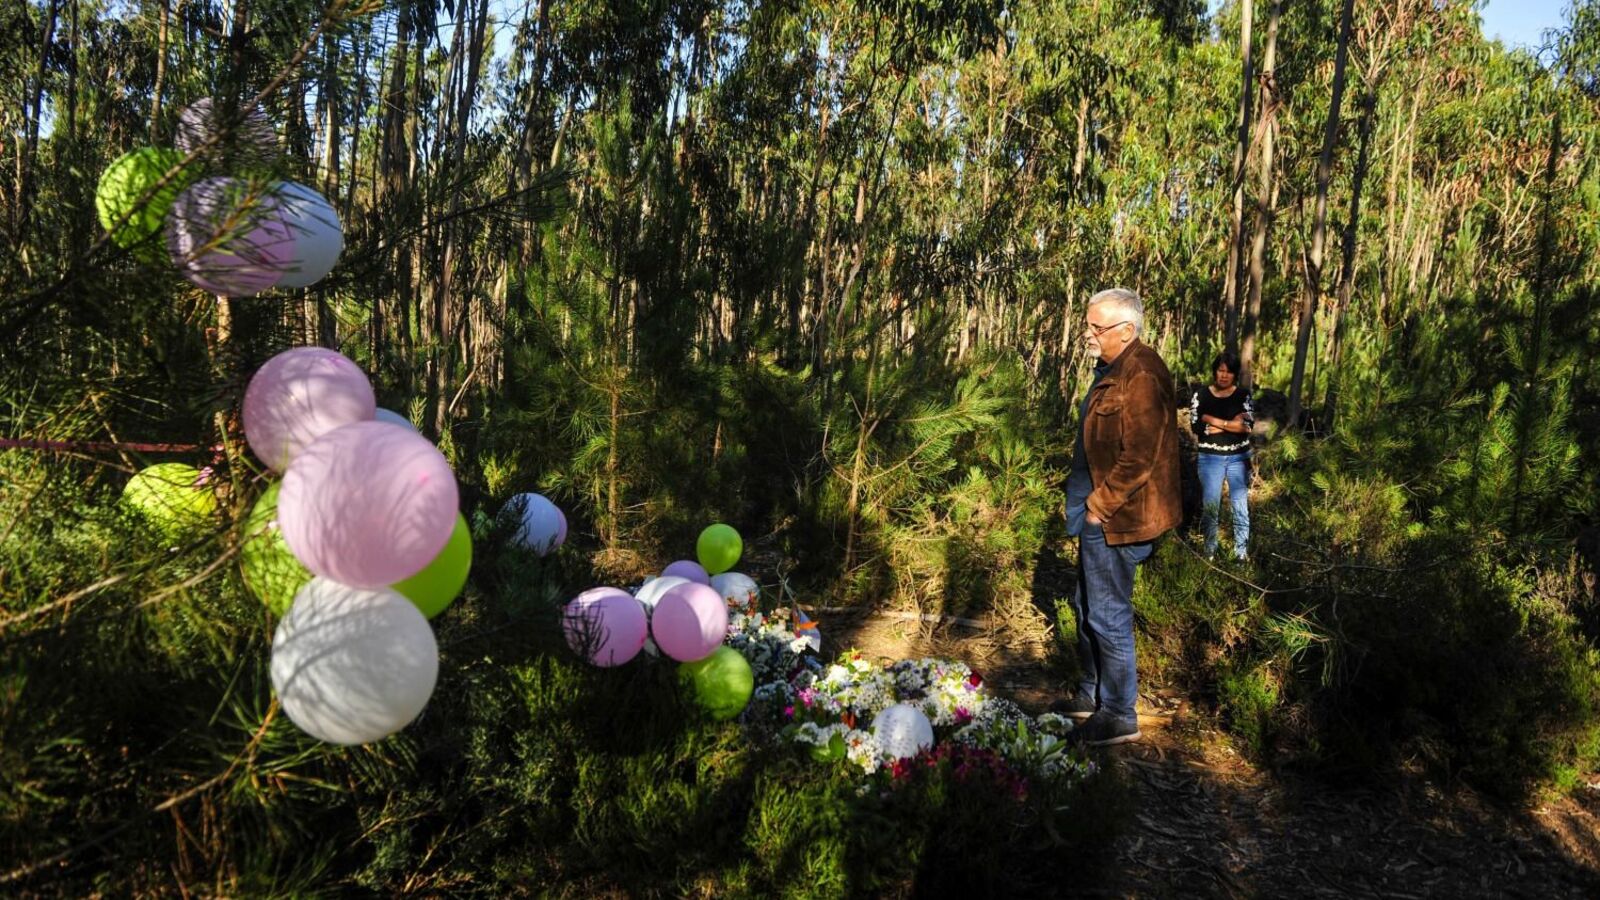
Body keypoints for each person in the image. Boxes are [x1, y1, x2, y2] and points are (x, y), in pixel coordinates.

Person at [1057, 288, 1182, 746]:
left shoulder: (1142, 373)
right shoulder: (1115, 368)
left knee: (1108, 614)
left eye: (1097, 327)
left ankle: (1118, 713)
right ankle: (1091, 694)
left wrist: (1097, 508)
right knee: (1085, 606)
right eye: (1088, 324)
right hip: (1098, 512)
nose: (1087, 334)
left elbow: (1140, 458)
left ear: (1127, 331)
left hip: (1118, 519)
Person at [1190, 352, 1254, 560]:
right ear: (1215, 372)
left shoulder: (1243, 395)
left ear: (1235, 374)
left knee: (1240, 505)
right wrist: (1230, 424)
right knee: (1211, 506)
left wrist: (1211, 420)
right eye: (1220, 370)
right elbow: (1197, 427)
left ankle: (1241, 555)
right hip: (1210, 459)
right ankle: (1210, 552)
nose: (1224, 375)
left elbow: (1247, 426)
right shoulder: (1201, 395)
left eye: (1229, 372)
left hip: (1239, 458)